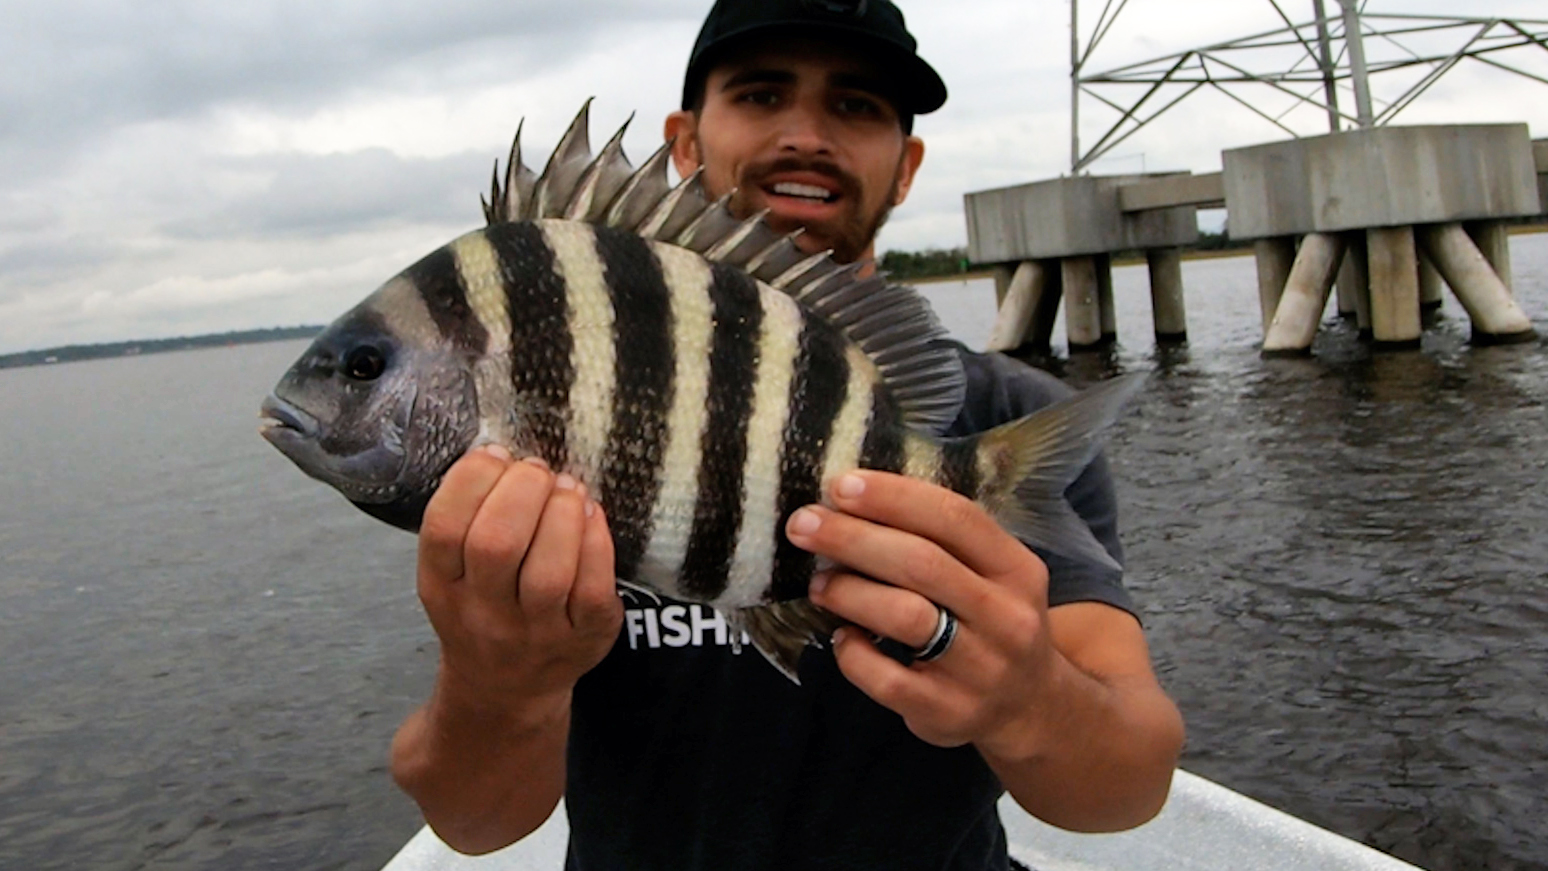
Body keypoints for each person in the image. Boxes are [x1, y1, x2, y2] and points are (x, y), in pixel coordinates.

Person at [389, 1, 1185, 868]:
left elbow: (1131, 783)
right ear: (684, 142)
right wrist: (497, 682)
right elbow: (473, 825)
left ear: (906, 165)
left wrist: (1030, 697)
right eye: (763, 95)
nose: (806, 134)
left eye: (855, 105)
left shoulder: (995, 421)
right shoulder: (564, 391)